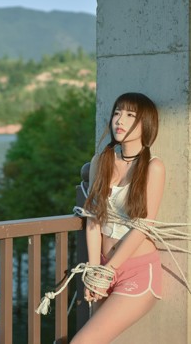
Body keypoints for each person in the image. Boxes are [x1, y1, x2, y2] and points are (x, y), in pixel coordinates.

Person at [70, 92, 165, 344]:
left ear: (146, 123)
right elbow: (93, 218)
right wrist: (93, 270)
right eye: (117, 113)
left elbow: (144, 226)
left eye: (130, 115)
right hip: (101, 267)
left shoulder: (154, 167)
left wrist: (107, 271)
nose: (119, 120)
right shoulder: (101, 161)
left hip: (136, 272)